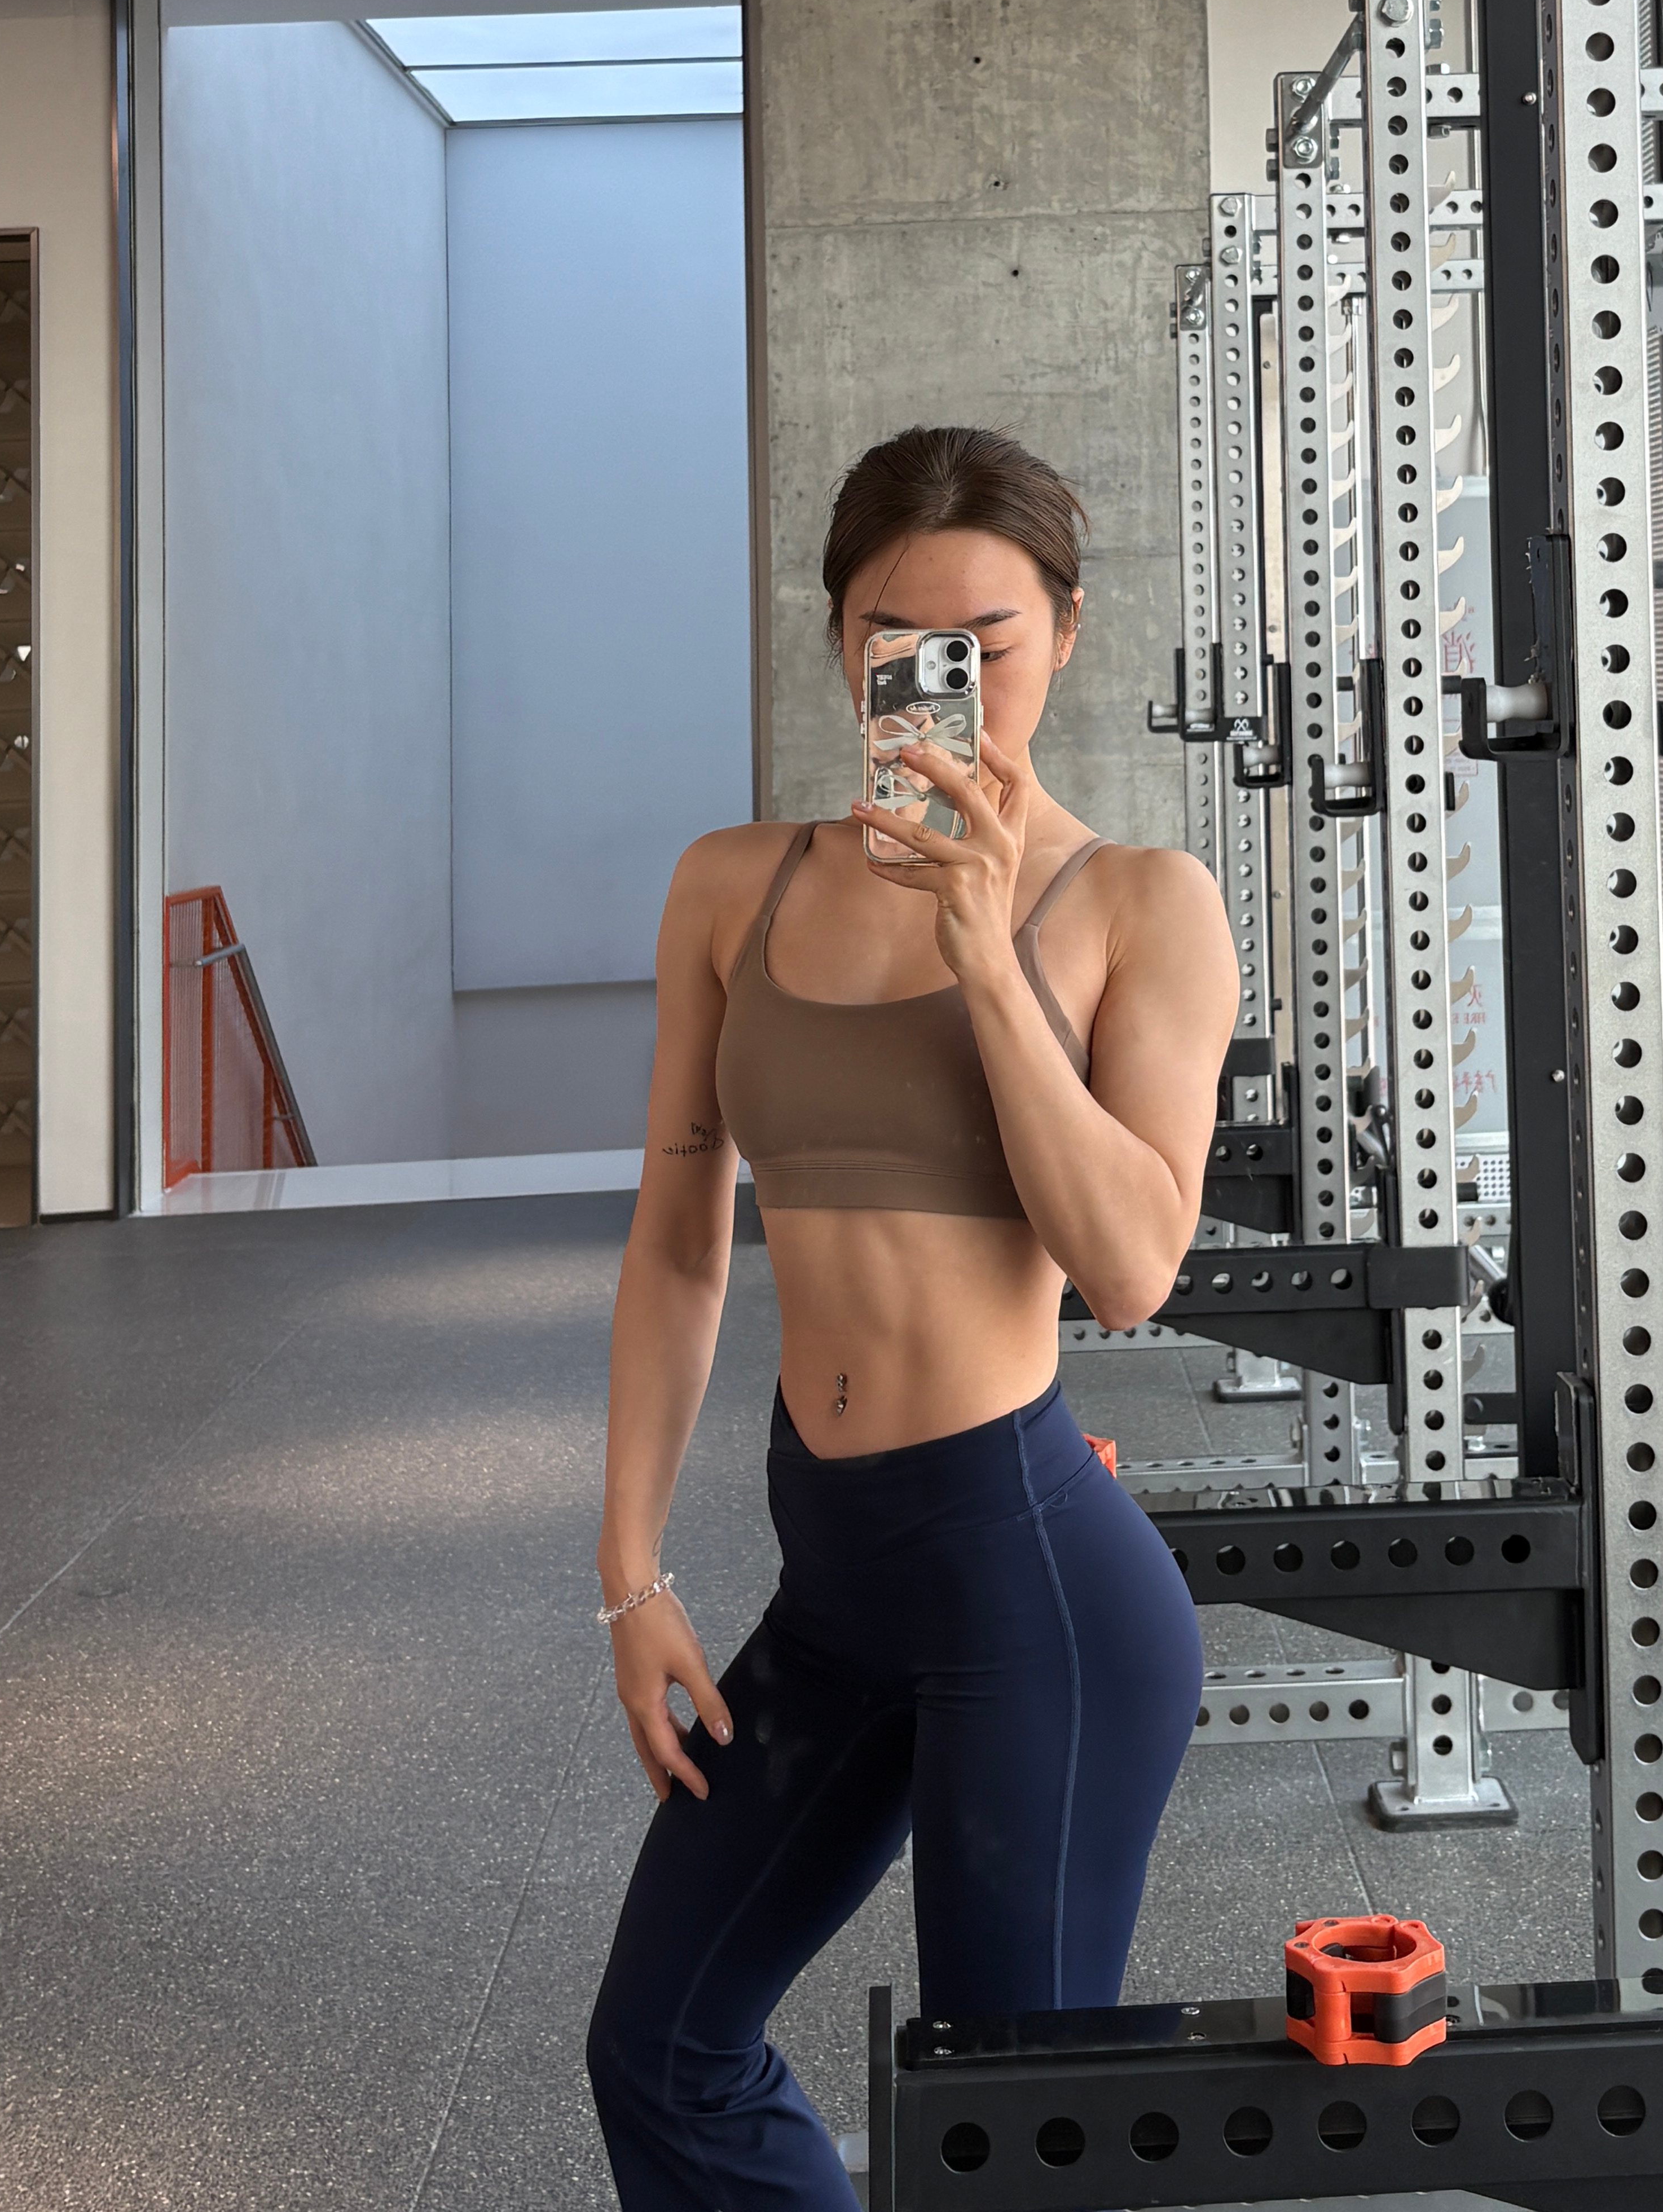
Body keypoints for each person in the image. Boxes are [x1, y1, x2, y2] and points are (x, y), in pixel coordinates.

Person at [585, 423, 1241, 2212]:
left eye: (985, 641)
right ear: (840, 645)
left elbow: (1131, 1267)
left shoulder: (1141, 906)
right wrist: (631, 1569)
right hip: (836, 1584)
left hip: (1030, 1589)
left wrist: (983, 953)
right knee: (660, 2049)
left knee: (1011, 2139)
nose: (941, 679)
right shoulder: (730, 885)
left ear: (1065, 634)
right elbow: (677, 1245)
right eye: (896, 641)